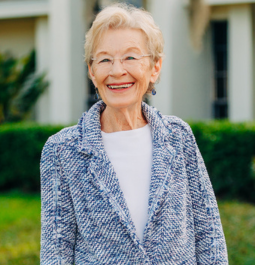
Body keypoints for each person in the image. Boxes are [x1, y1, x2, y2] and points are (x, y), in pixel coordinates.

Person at [40, 3, 228, 264]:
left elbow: (210, 236)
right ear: (92, 72)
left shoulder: (178, 136)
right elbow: (56, 252)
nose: (117, 71)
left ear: (155, 67)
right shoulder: (61, 150)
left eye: (130, 57)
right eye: (104, 59)